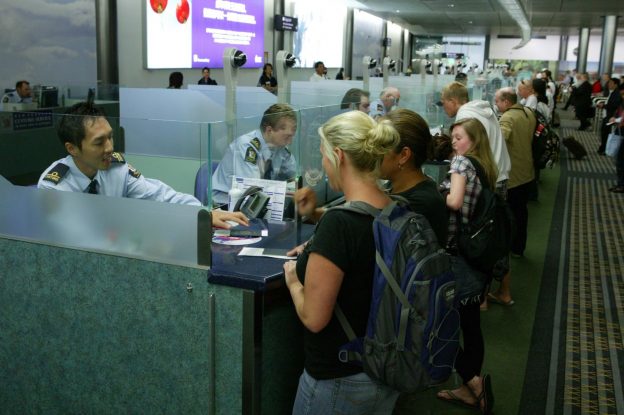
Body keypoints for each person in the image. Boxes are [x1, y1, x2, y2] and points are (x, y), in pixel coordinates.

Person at [283, 110, 401, 414]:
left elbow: (314, 317)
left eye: (324, 155)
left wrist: (294, 280)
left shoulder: (340, 225)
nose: (323, 165)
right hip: (386, 371)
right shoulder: (398, 207)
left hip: (338, 380)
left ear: (339, 155)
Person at [37, 102, 248, 229]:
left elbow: (161, 196)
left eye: (111, 137)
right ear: (72, 148)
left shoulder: (116, 169)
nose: (110, 147)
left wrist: (203, 214)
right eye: (99, 142)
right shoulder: (55, 187)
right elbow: (72, 237)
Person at [436, 117, 496, 415]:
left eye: (459, 137)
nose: (454, 142)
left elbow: (455, 202)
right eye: (453, 137)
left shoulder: (461, 164)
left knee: (439, 322)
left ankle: (473, 381)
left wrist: (437, 194)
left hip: (457, 254)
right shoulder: (485, 166)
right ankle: (468, 386)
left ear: (473, 140)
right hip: (478, 254)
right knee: (471, 324)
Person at [489, 87, 537, 307]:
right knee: (522, 212)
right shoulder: (528, 113)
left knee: (510, 217)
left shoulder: (507, 117)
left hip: (514, 176)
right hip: (527, 171)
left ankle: (511, 248)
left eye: (497, 101)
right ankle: (519, 247)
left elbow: (500, 139)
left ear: (506, 102)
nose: (496, 105)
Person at [379, 109, 448, 243]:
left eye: (381, 147)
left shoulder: (418, 204)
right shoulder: (394, 187)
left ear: (404, 155)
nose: (374, 153)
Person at [211, 103, 298, 204]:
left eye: (292, 136)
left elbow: (294, 179)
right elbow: (251, 192)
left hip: (257, 203)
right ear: (269, 130)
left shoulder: (280, 149)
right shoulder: (247, 147)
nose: (290, 141)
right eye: (287, 136)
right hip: (225, 204)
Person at [438, 81, 511, 192]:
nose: (443, 107)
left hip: (490, 177)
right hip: (499, 174)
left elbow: (462, 153)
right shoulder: (478, 110)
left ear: (452, 101)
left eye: (444, 103)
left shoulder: (465, 115)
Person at [597, 77, 622, 154]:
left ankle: (604, 149)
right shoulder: (612, 92)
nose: (609, 84)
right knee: (604, 132)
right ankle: (603, 148)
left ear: (616, 84)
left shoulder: (617, 93)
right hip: (609, 115)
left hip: (611, 116)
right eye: (609, 82)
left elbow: (614, 105)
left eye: (611, 83)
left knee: (605, 132)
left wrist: (603, 106)